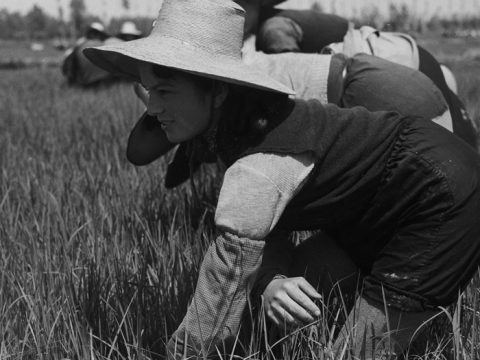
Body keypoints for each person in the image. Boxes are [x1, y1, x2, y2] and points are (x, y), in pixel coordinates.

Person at [84, 1, 480, 359]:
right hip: (377, 205)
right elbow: (266, 235)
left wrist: (180, 353)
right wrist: (272, 282)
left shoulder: (258, 163)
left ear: (218, 91)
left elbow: (223, 285)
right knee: (281, 308)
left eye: (166, 91)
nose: (152, 108)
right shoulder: (239, 127)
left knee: (349, 354)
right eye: (150, 90)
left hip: (439, 196)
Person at [254, 9, 478, 149]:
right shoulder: (291, 18)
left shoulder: (276, 24)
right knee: (448, 127)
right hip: (399, 51)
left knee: (444, 140)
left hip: (381, 61)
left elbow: (280, 42)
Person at [61, 22, 117, 87]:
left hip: (86, 84)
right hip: (107, 82)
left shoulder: (80, 44)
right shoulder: (105, 45)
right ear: (101, 34)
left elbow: (68, 66)